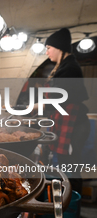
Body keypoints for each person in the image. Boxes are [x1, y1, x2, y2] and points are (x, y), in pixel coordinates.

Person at [34, 28, 90, 193]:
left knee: (71, 167)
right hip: (69, 123)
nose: (47, 52)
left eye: (49, 48)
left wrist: (33, 107)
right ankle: (69, 202)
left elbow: (58, 100)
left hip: (74, 126)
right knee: (67, 165)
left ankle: (72, 204)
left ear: (59, 48)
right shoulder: (63, 67)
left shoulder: (70, 68)